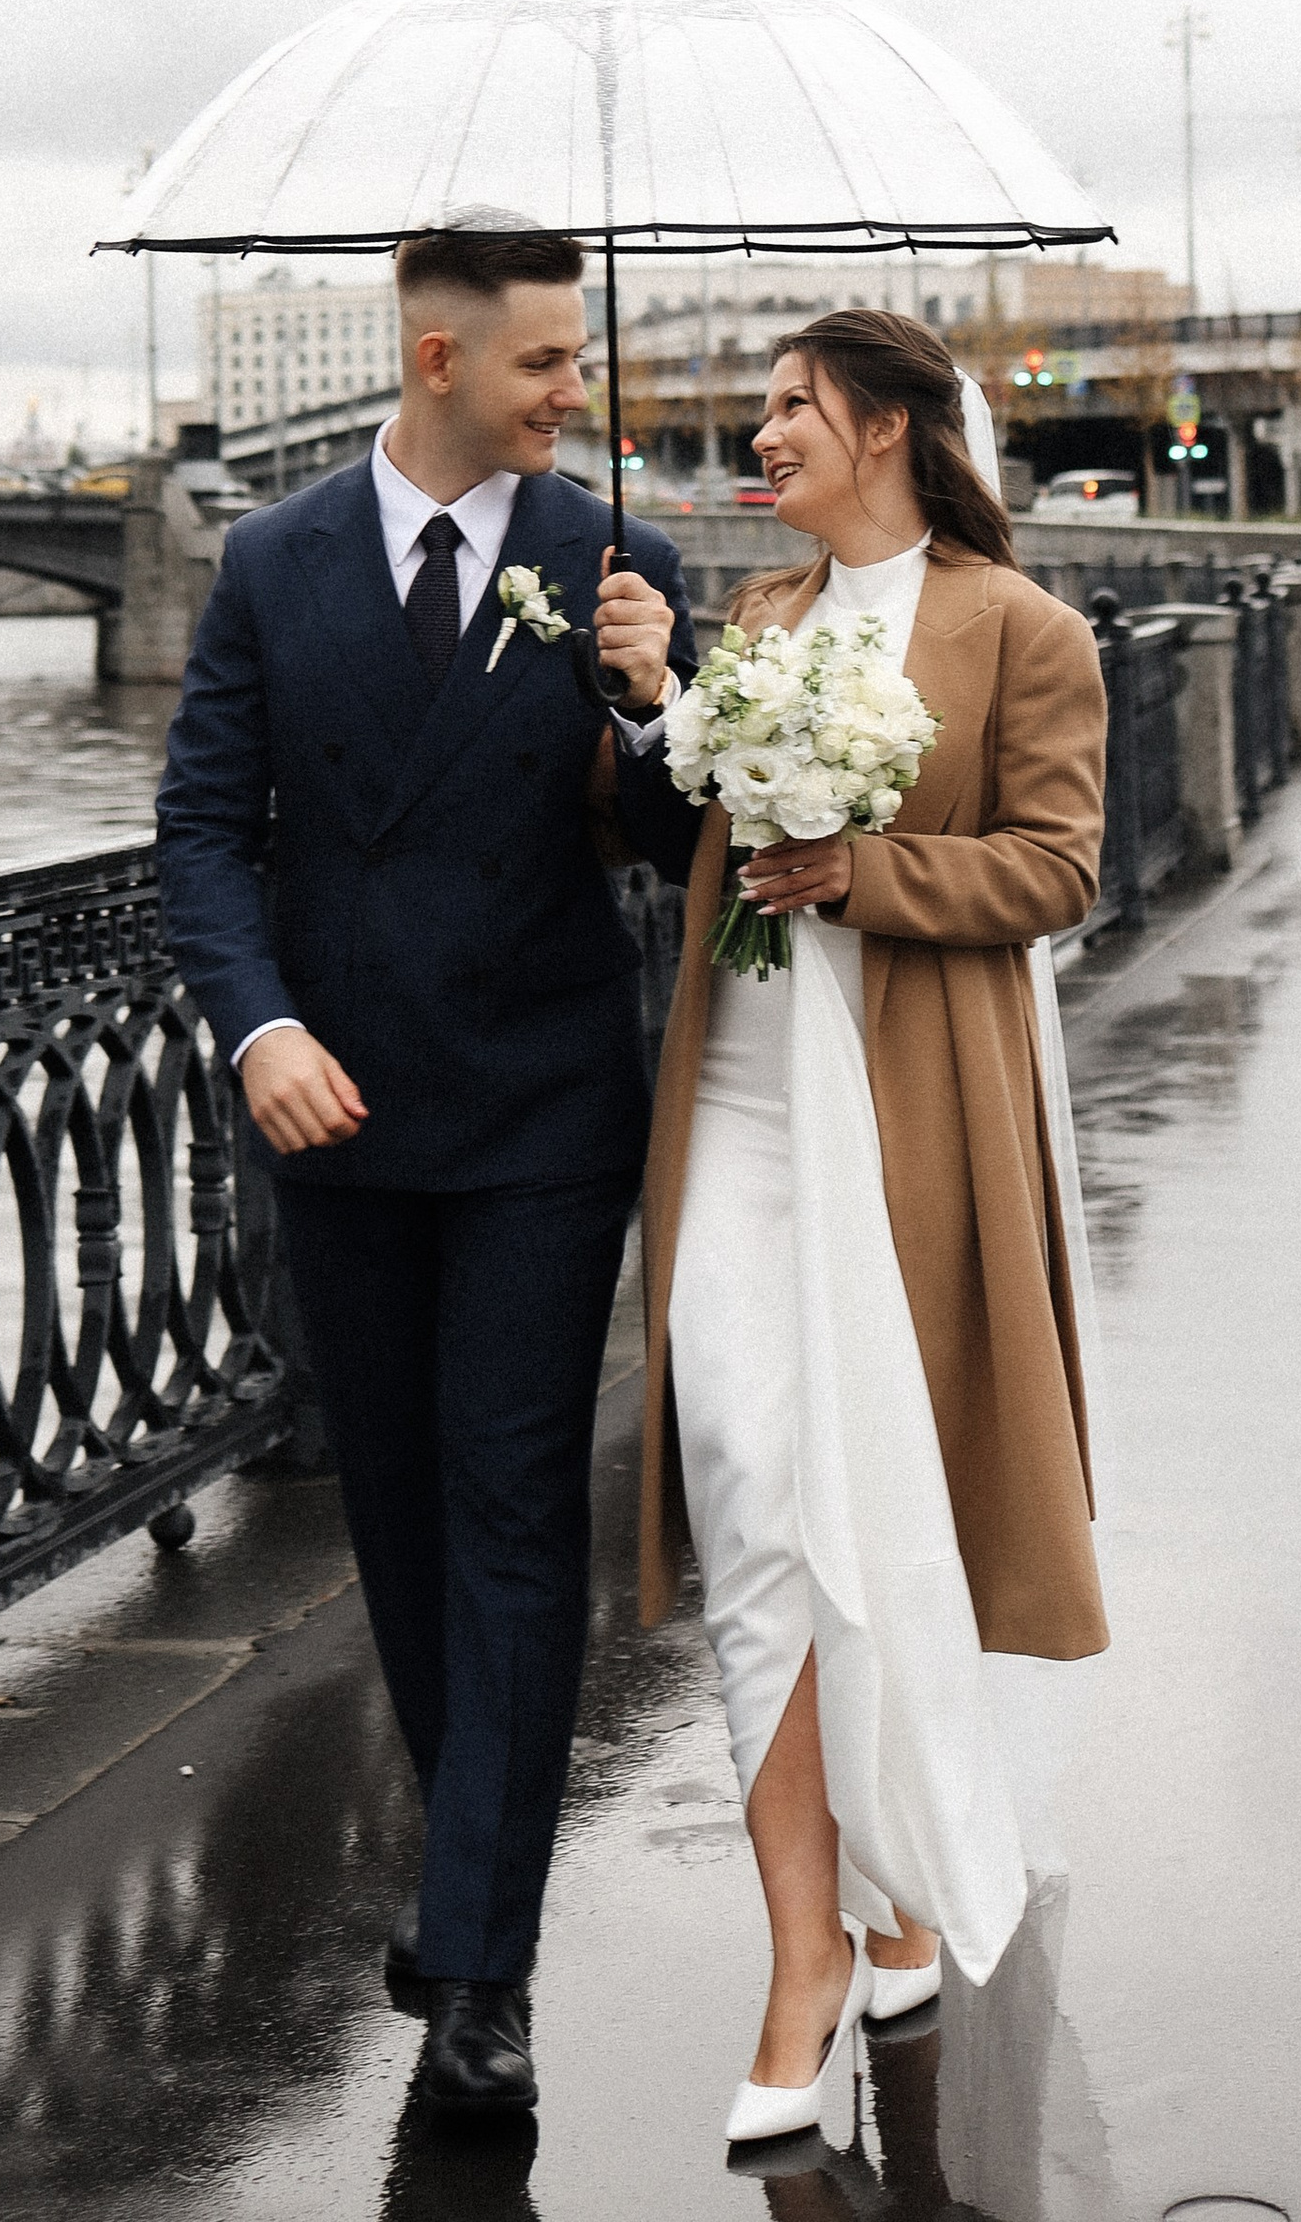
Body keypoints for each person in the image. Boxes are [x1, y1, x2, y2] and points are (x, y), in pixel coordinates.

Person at [157, 222, 700, 2115]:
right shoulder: (273, 560)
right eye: (552, 362)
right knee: (396, 1526)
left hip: (546, 1111)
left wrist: (653, 698)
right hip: (340, 1115)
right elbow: (208, 828)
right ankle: (481, 1873)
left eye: (580, 357)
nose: (580, 390)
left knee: (510, 1516)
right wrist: (258, 1027)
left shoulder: (615, 562)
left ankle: (481, 1971)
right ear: (442, 358)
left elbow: (668, 836)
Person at [636, 308, 1110, 2148]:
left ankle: (878, 1912)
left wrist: (864, 866)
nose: (764, 439)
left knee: (866, 1505)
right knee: (752, 1483)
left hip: (899, 1117)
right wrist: (656, 715)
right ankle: (816, 1950)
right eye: (761, 414)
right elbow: (686, 815)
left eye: (792, 411)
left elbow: (1058, 867)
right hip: (740, 1108)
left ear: (893, 428)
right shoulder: (755, 624)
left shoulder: (1022, 630)